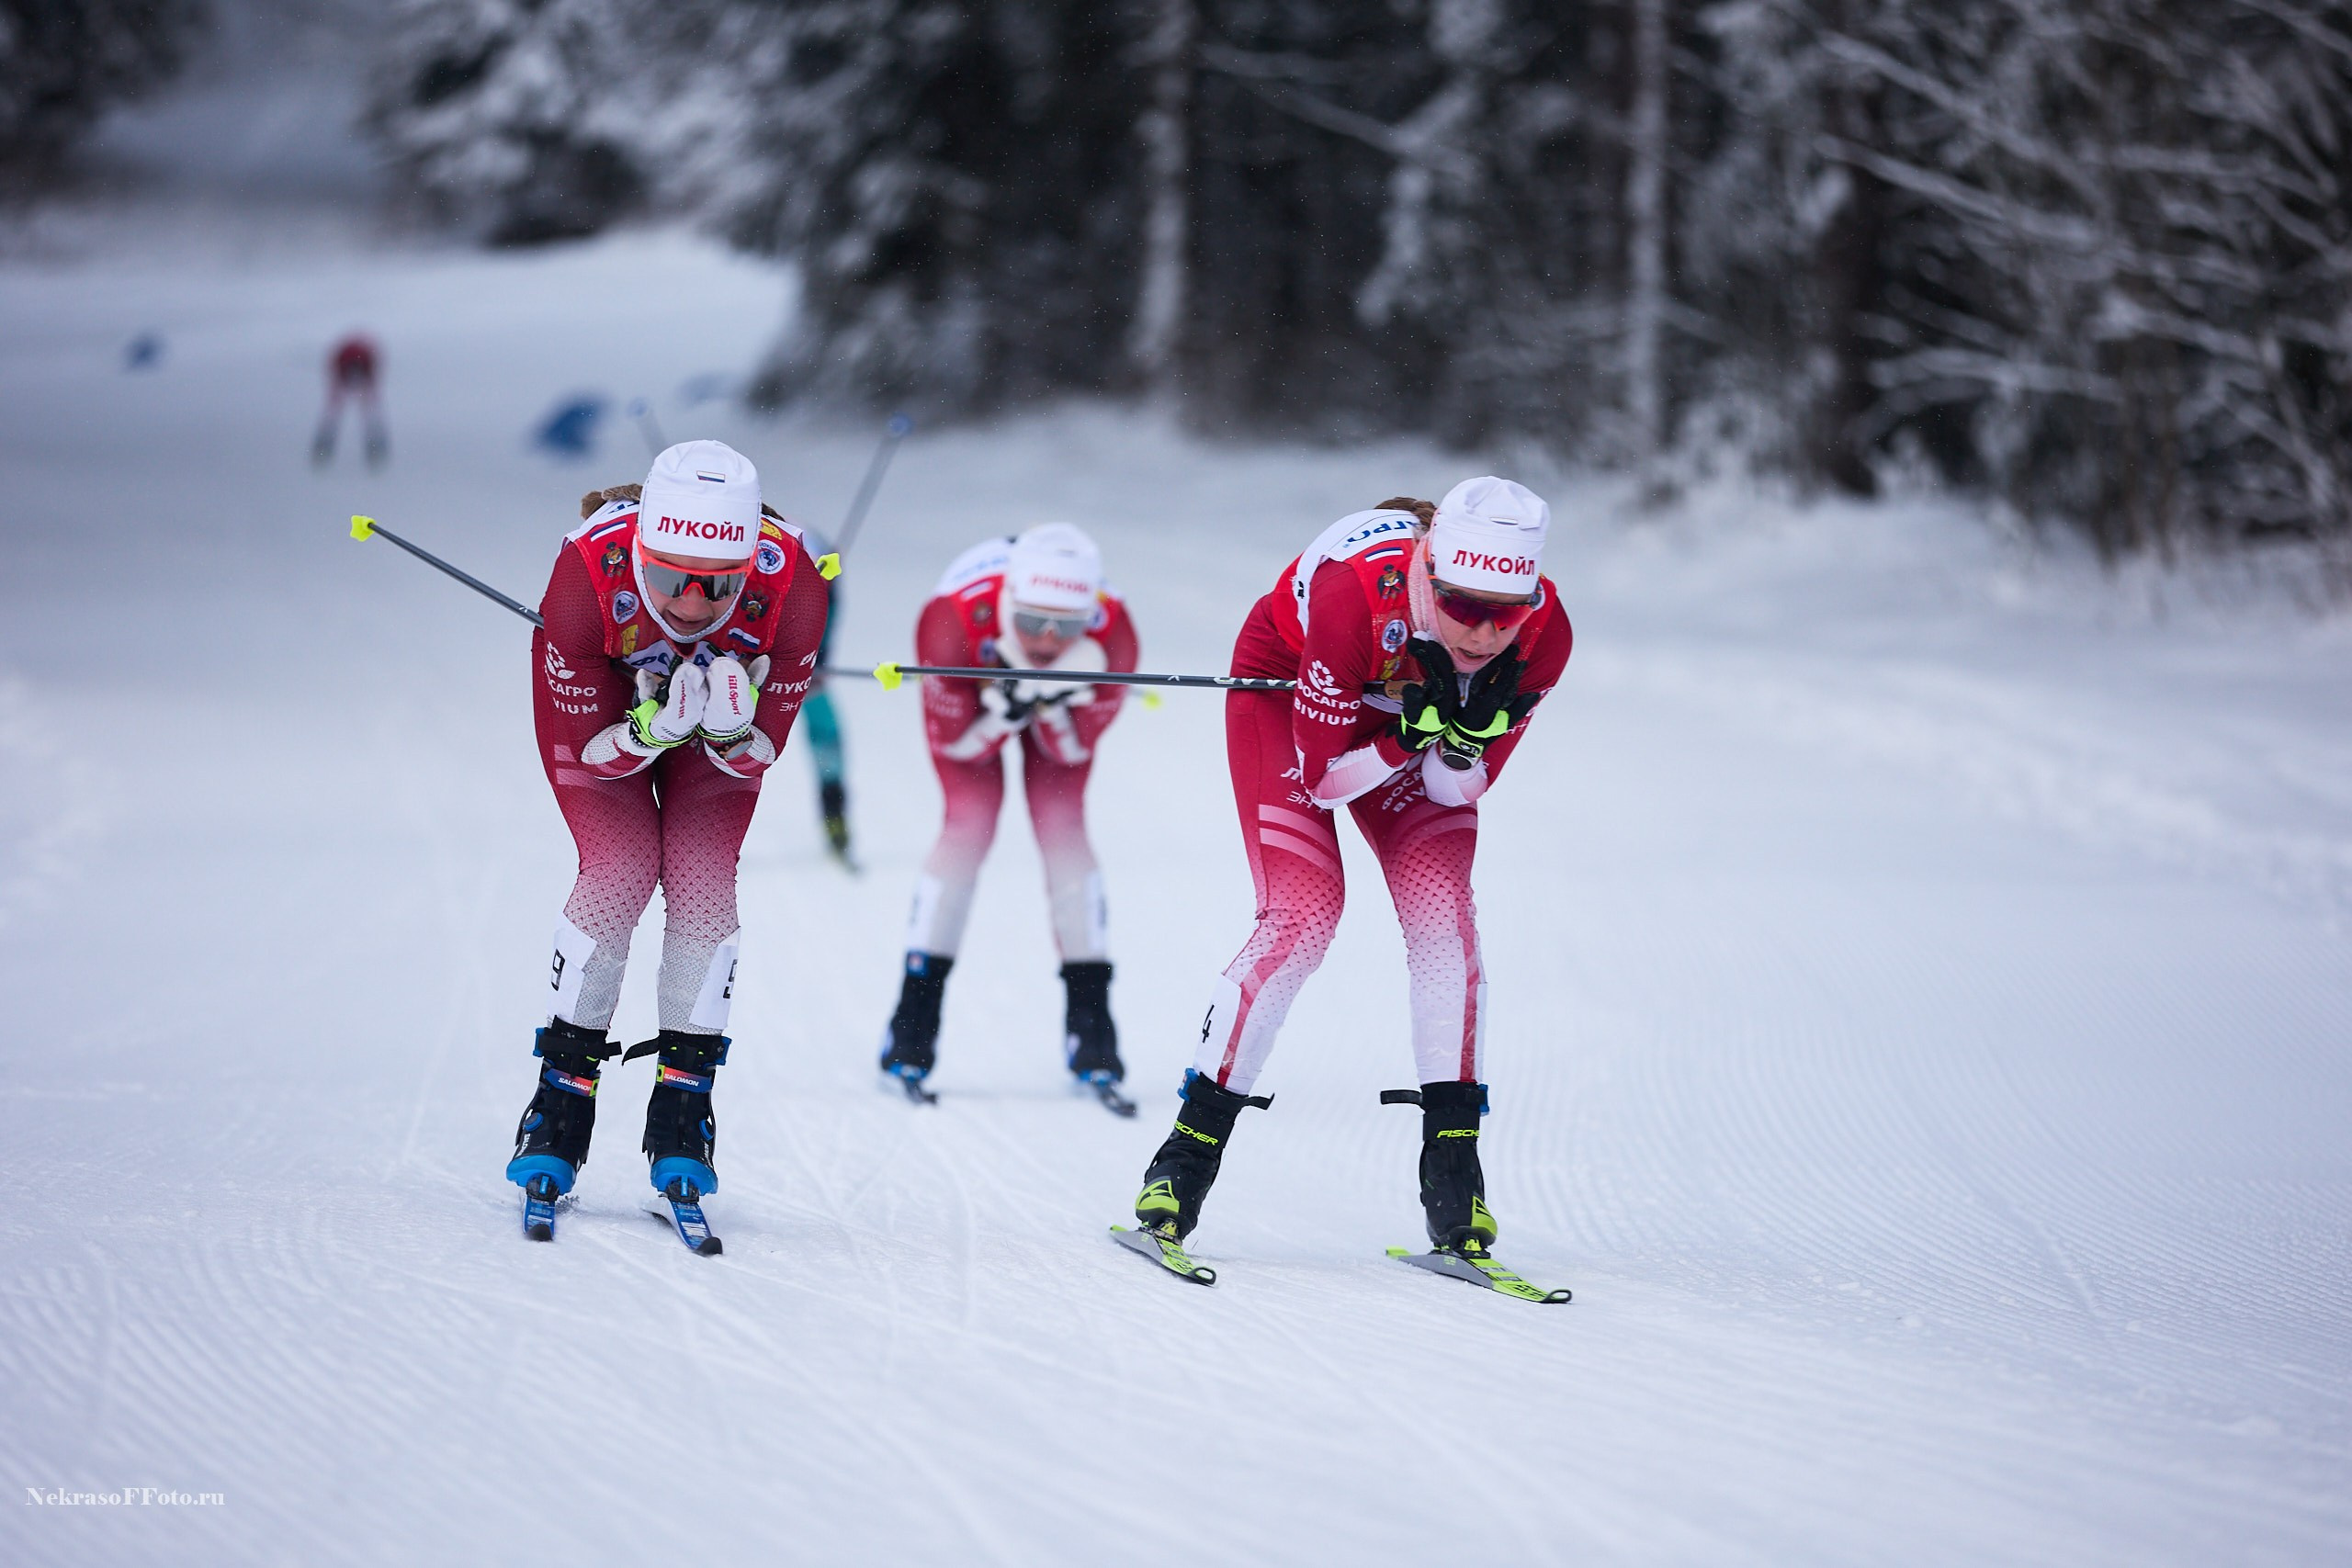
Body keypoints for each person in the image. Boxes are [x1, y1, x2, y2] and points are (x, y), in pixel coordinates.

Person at [1128, 477, 1573, 1261]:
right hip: (1292, 696)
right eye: (1463, 605)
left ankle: (1456, 1184)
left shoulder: (1546, 635)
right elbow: (1326, 775)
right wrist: (1408, 733)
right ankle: (1182, 1165)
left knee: (1444, 915)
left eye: (1506, 612)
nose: (1483, 632)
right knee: (1304, 914)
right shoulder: (1352, 597)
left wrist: (1466, 738)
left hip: (1407, 721)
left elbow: (1453, 789)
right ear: (1427, 572)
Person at [506, 439, 830, 1225]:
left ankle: (686, 1113)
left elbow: (761, 749)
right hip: (609, 714)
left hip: (721, 705)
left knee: (703, 880)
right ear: (641, 551)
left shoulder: (796, 591)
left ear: (750, 564)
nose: (689, 602)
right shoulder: (587, 580)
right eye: (668, 577)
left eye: (718, 585)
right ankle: (558, 1105)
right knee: (619, 869)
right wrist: (651, 728)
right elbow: (597, 756)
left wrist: (726, 728)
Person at [877, 524, 1140, 1103]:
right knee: (968, 828)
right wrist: (1007, 707)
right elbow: (959, 746)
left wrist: (1045, 704)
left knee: (1065, 832)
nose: (1048, 637)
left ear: (1091, 615)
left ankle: (1093, 1031)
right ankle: (911, 1028)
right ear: (1008, 602)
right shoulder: (950, 619)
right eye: (1030, 622)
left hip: (1047, 714)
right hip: (972, 700)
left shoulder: (1115, 634)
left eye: (1067, 627)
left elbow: (1070, 751)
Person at [311, 333, 387, 468]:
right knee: (334, 415)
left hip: (359, 366)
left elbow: (371, 382)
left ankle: (375, 449)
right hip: (346, 367)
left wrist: (369, 396)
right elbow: (335, 383)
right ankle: (323, 449)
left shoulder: (366, 361)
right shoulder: (342, 362)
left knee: (369, 414)